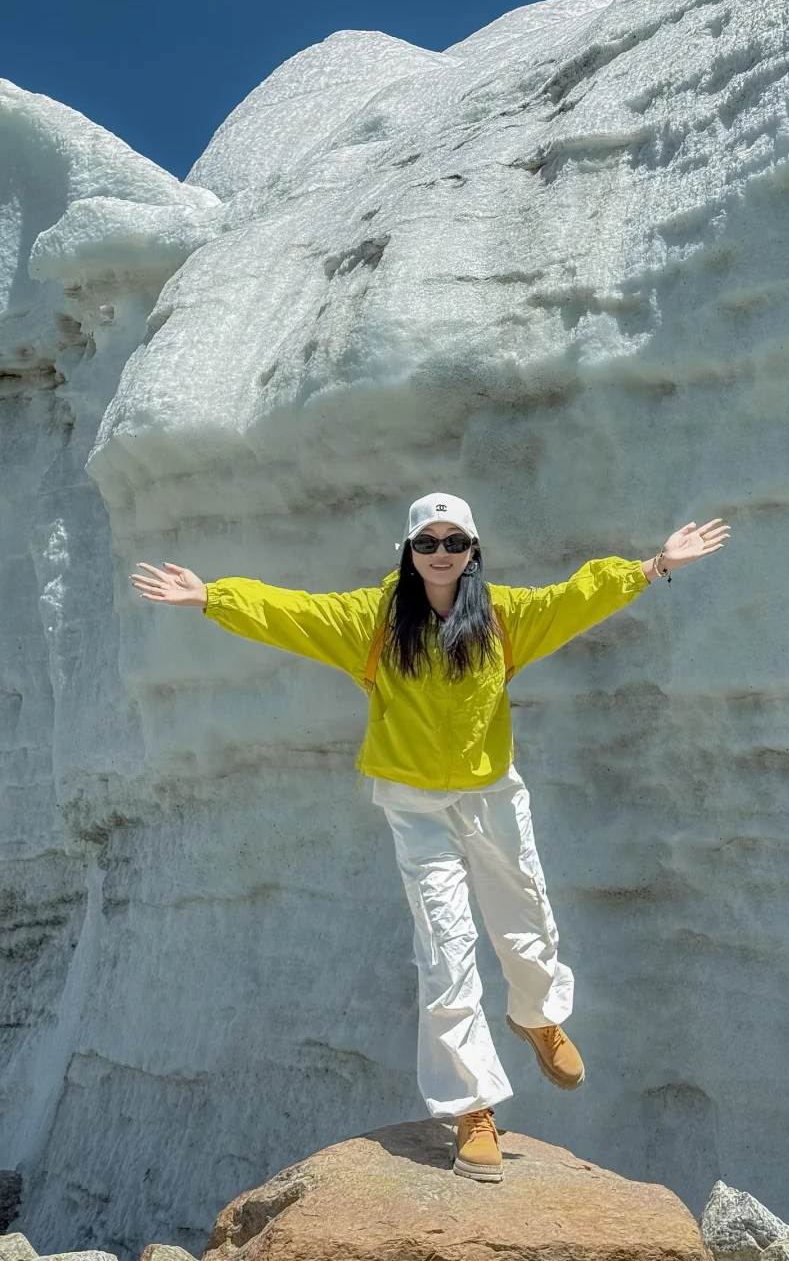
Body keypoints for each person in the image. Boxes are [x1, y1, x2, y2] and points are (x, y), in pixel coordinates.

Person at [130, 493, 729, 1182]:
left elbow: (576, 596)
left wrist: (654, 566)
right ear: (407, 553)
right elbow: (293, 612)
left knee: (527, 923)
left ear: (473, 550)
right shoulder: (374, 621)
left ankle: (536, 1016)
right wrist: (213, 597)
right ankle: (473, 1107)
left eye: (454, 542)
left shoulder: (505, 616)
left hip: (491, 794)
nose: (440, 554)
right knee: (447, 948)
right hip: (414, 803)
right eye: (427, 543)